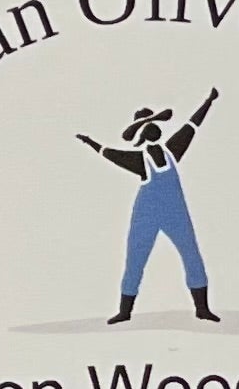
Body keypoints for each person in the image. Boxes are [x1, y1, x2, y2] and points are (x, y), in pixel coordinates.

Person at [76, 87, 222, 322]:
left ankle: (202, 308)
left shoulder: (173, 150)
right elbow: (110, 153)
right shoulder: (139, 159)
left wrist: (208, 101)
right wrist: (91, 142)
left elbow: (192, 125)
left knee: (192, 256)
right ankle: (125, 311)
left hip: (176, 214)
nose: (152, 128)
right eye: (147, 125)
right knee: (135, 259)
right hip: (146, 215)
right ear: (142, 135)